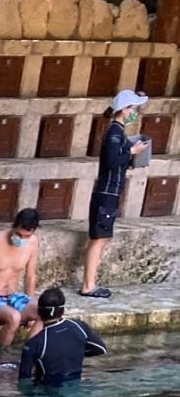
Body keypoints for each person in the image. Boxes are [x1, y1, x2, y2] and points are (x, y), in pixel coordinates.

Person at [81, 90, 148, 299]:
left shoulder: (119, 132)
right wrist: (131, 152)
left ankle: (90, 283)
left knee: (102, 238)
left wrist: (132, 153)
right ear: (124, 109)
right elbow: (111, 161)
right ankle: (88, 285)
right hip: (106, 192)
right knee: (99, 239)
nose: (135, 113)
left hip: (111, 191)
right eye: (133, 109)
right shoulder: (114, 132)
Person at [0, 208, 41, 348]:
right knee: (14, 318)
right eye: (18, 234)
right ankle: (0, 357)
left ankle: (28, 353)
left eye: (26, 236)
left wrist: (29, 302)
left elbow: (30, 277)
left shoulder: (33, 242)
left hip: (13, 296)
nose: (21, 239)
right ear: (13, 226)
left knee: (44, 313)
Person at [18, 286, 106, 383]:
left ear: (38, 312)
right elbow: (101, 349)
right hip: (76, 387)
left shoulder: (34, 343)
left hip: (47, 393)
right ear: (63, 311)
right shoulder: (79, 326)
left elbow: (24, 379)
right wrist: (76, 352)